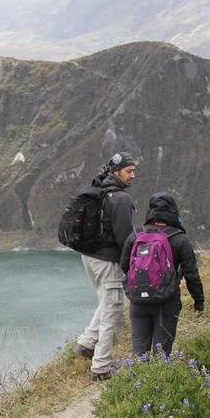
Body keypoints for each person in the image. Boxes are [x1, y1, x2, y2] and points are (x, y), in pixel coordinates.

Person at [76, 152, 137, 380]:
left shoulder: (99, 191)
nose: (133, 175)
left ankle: (87, 343)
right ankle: (101, 367)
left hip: (88, 257)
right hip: (106, 260)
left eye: (134, 171)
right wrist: (132, 265)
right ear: (116, 172)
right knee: (114, 309)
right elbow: (126, 238)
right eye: (129, 171)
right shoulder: (120, 198)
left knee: (106, 299)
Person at [120, 192, 204, 358]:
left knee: (139, 352)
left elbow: (124, 266)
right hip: (166, 301)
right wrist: (199, 302)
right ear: (173, 211)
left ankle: (137, 375)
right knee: (162, 353)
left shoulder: (136, 235)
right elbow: (191, 275)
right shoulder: (180, 239)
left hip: (138, 300)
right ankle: (159, 375)